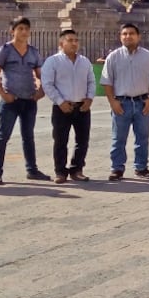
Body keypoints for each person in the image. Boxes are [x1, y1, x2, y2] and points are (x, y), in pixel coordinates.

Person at [0, 17, 49, 184]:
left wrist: (41, 90)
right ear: (12, 31)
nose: (24, 32)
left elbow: (40, 75)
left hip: (29, 100)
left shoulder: (33, 52)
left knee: (28, 136)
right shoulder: (5, 50)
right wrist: (3, 94)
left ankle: (32, 170)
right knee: (3, 137)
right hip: (11, 101)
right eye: (20, 28)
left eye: (26, 29)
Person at [100, 23, 149, 180]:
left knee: (142, 138)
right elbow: (106, 82)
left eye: (131, 33)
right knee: (118, 138)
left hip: (142, 102)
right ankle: (117, 168)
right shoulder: (113, 57)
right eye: (125, 34)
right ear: (120, 37)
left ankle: (141, 168)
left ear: (138, 36)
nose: (128, 36)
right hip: (121, 103)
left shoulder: (148, 56)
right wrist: (112, 102)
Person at [41, 29, 95, 184]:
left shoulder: (84, 61)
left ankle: (77, 169)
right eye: (70, 40)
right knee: (60, 141)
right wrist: (60, 101)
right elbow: (47, 84)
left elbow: (91, 81)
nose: (74, 43)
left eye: (76, 40)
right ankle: (60, 171)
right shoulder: (53, 61)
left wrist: (89, 99)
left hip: (82, 107)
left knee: (82, 140)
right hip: (62, 108)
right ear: (61, 43)